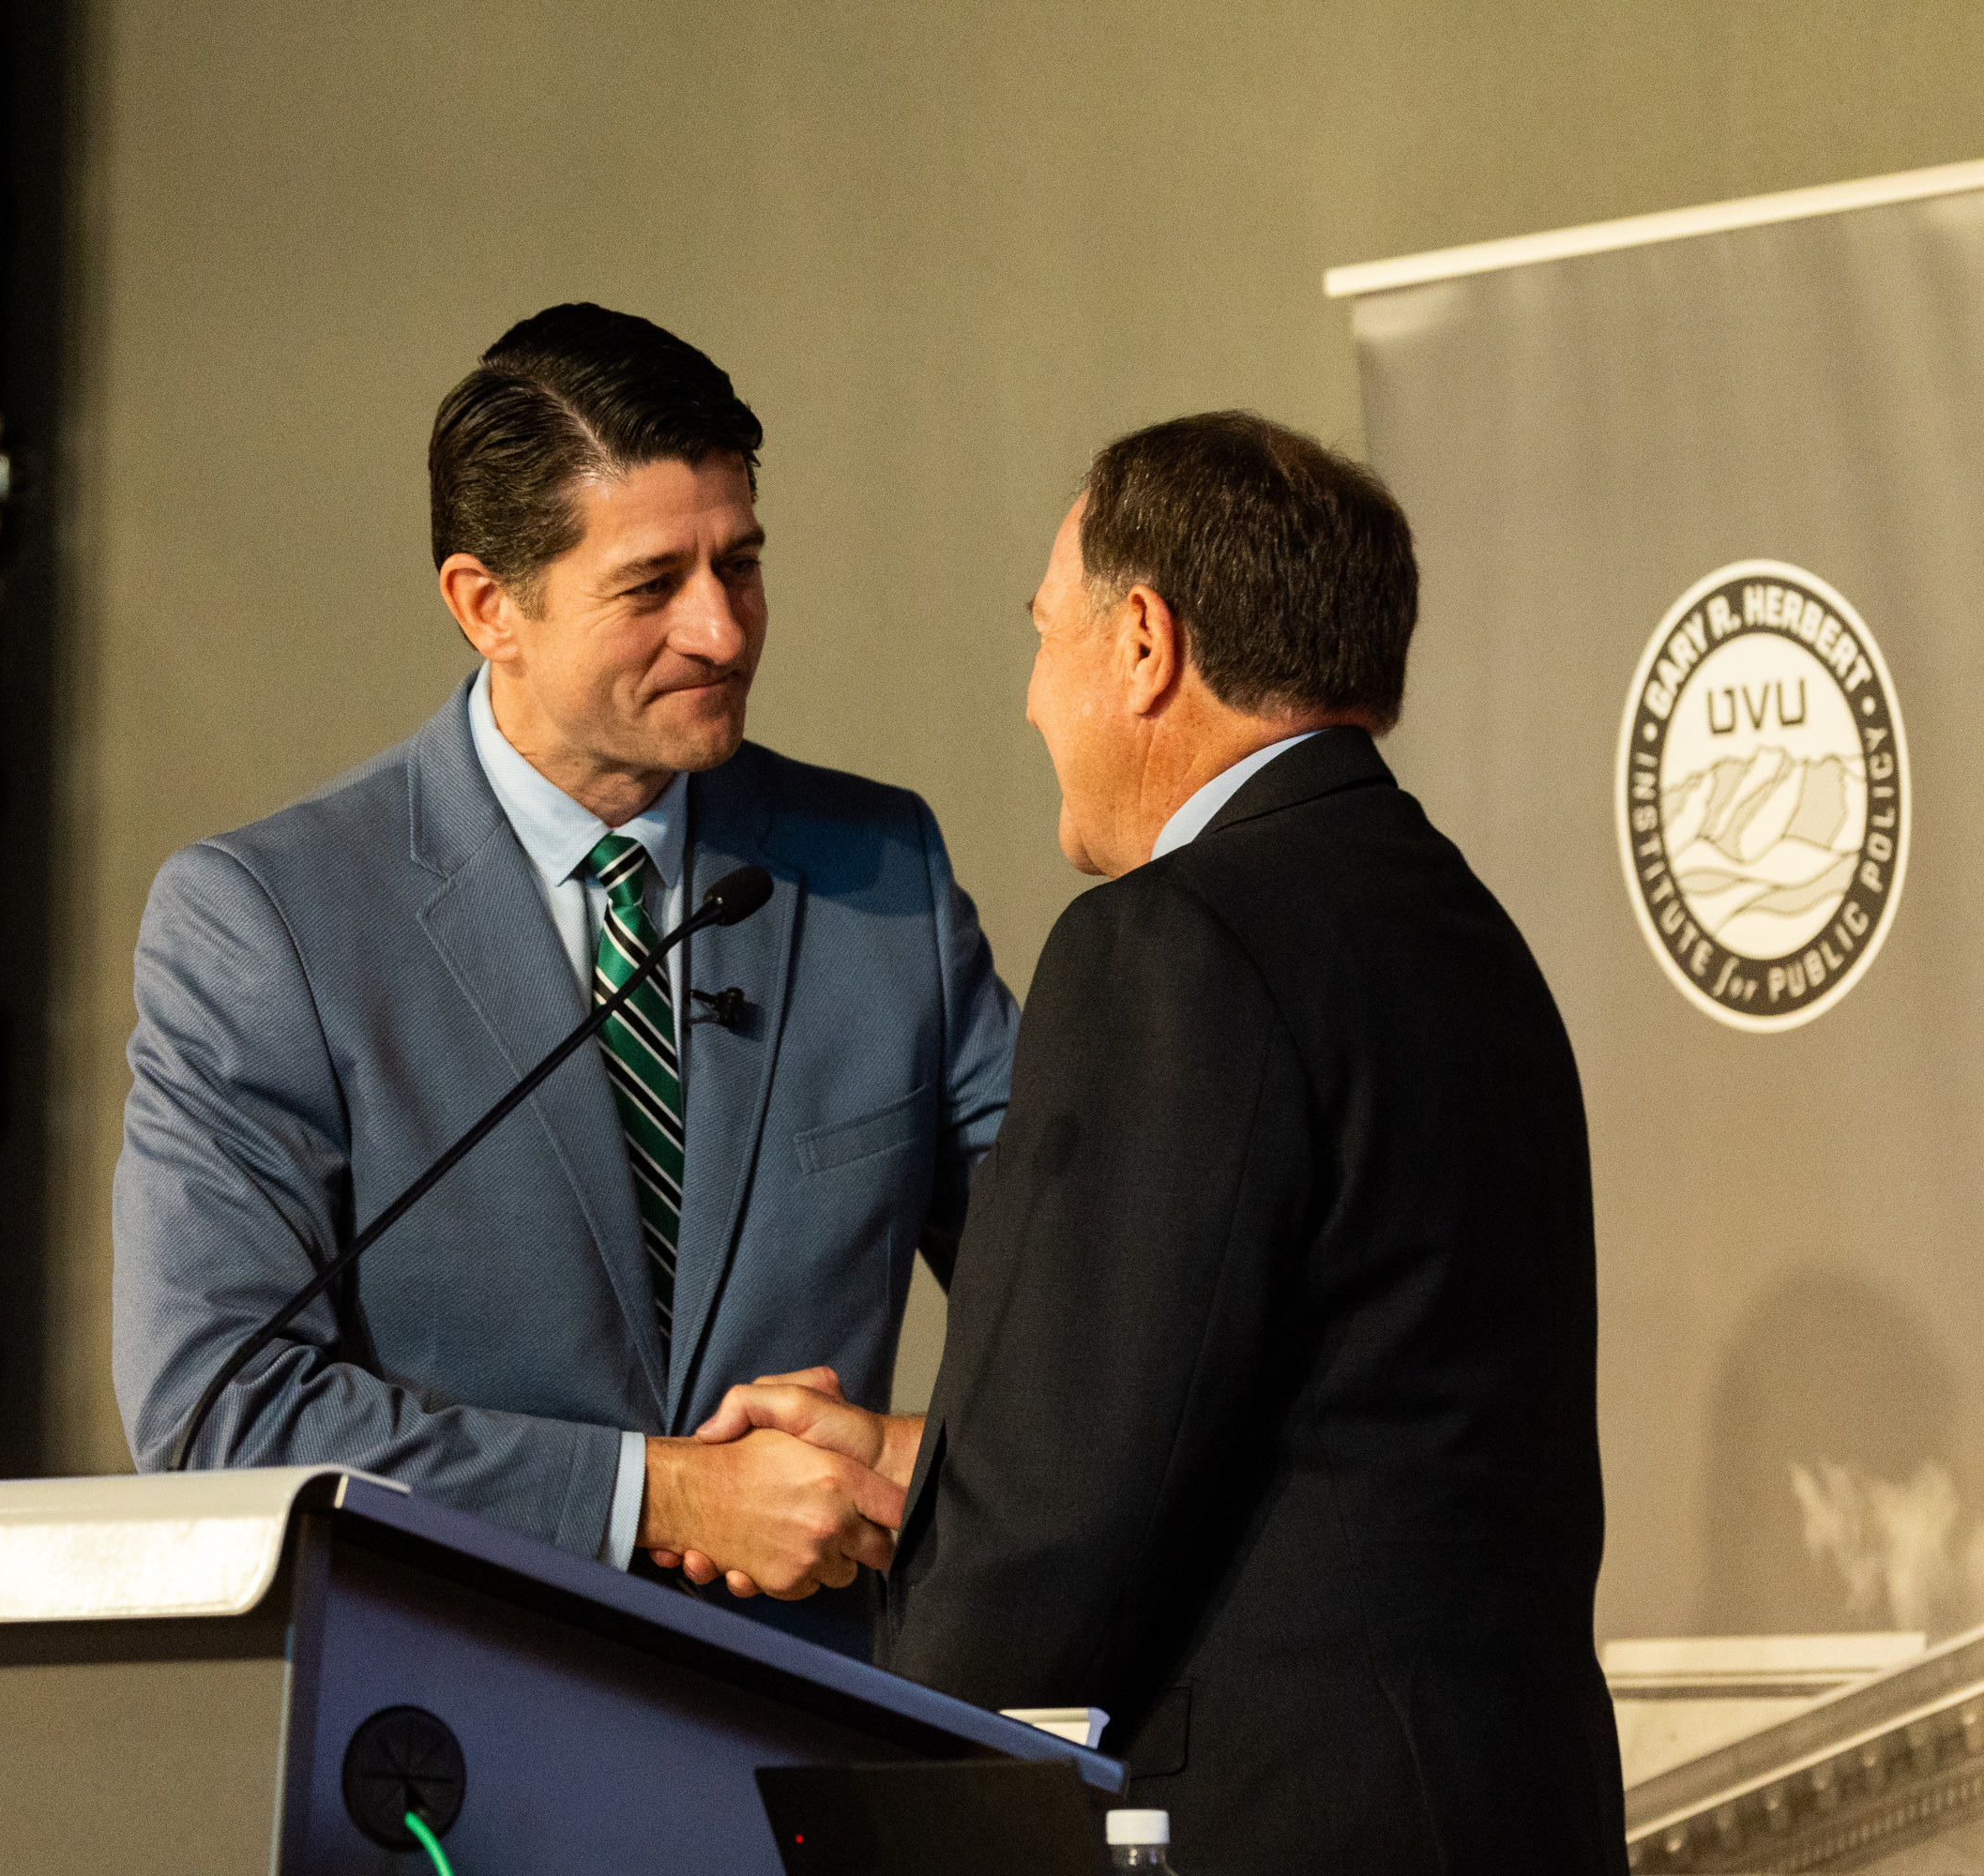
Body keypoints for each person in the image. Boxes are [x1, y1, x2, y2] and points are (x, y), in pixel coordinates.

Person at [689, 414, 1627, 1869]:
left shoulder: (1172, 941)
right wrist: (920, 1465)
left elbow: (1055, 1525)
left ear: (1143, 643)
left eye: (1043, 634)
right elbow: (1293, 1423)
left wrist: (875, 1811)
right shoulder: (1460, 931)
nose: (1029, 700)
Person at [111, 303, 1016, 1649]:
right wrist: (662, 1497)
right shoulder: (266, 925)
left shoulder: (878, 872)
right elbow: (216, 1411)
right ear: (490, 607)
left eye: (743, 565)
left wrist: (911, 1455)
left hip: (817, 1755)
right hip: (443, 1753)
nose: (720, 629)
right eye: (653, 585)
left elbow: (1088, 1311)